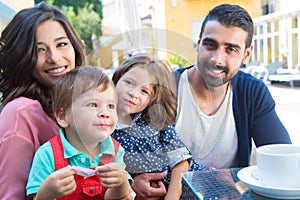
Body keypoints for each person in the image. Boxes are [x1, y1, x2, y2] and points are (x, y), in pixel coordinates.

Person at [132, 4, 292, 199]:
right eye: (210, 45)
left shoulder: (252, 92)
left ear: (246, 55)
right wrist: (132, 182)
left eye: (231, 49)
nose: (217, 59)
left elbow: (283, 160)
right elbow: (125, 148)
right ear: (198, 43)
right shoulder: (165, 89)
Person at [0, 2, 85, 199]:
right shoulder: (21, 113)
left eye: (61, 44)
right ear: (22, 57)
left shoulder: (79, 106)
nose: (54, 58)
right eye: (39, 50)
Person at [26, 66, 133, 199]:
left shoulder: (115, 151)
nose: (105, 113)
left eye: (110, 106)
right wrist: (46, 193)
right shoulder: (47, 155)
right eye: (93, 104)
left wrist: (121, 183)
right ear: (63, 116)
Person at [112, 53, 200, 200]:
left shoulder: (154, 123)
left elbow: (181, 162)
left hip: (189, 184)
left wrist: (171, 198)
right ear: (116, 81)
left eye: (144, 91)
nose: (133, 93)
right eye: (129, 83)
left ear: (151, 100)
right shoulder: (103, 128)